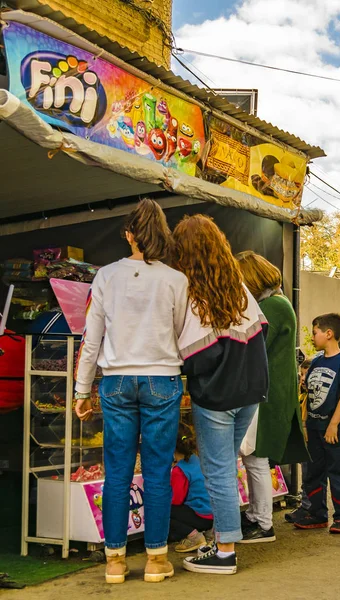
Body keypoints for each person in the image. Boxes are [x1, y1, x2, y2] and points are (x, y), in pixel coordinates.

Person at [74, 198, 188, 584]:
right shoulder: (176, 280)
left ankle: (115, 562)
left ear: (128, 235)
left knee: (117, 473)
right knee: (157, 473)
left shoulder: (106, 276)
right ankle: (156, 560)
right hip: (163, 379)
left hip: (116, 381)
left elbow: (92, 339)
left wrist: (81, 389)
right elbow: (180, 334)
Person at [171, 215, 268, 575]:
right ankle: (220, 539)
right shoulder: (240, 288)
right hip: (250, 392)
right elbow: (261, 333)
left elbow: (200, 354)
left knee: (219, 473)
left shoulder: (195, 294)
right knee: (227, 468)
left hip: (217, 397)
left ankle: (225, 550)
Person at [235, 251, 309, 542]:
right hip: (272, 391)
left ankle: (262, 522)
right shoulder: (279, 302)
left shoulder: (272, 306)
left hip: (266, 394)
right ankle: (257, 516)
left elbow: (255, 346)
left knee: (256, 458)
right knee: (257, 458)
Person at [293, 313, 340, 533]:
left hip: (333, 429)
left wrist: (333, 425)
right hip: (314, 427)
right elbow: (310, 396)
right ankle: (317, 513)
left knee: (338, 471)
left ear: (329, 334)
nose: (313, 336)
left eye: (316, 331)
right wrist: (306, 424)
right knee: (313, 472)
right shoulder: (316, 360)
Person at [169, 422, 213, 553]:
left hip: (200, 517)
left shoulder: (180, 470)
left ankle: (194, 536)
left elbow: (176, 500)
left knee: (161, 511)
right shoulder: (196, 459)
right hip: (212, 515)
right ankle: (209, 534)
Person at [285, 358, 312, 522]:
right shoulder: (301, 395)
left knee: (310, 475)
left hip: (312, 442)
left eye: (305, 375)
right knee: (306, 473)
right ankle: (306, 504)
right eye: (301, 375)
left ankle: (308, 506)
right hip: (304, 442)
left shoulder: (310, 398)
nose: (302, 379)